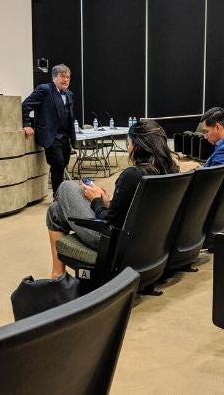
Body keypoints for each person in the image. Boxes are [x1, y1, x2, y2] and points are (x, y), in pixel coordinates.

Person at [45, 120, 179, 278]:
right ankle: (58, 274)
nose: (128, 148)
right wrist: (110, 203)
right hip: (147, 240)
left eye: (128, 143)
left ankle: (57, 277)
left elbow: (109, 223)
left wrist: (97, 201)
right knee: (55, 210)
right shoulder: (171, 171)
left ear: (136, 146)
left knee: (66, 187)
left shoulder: (132, 175)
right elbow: (135, 209)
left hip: (112, 242)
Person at [22, 64, 76, 197]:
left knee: (63, 164)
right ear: (54, 78)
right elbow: (25, 106)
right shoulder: (45, 90)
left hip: (65, 137)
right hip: (51, 136)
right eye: (62, 76)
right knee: (57, 164)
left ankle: (61, 194)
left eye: (68, 77)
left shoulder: (69, 94)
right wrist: (27, 124)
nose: (66, 80)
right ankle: (58, 197)